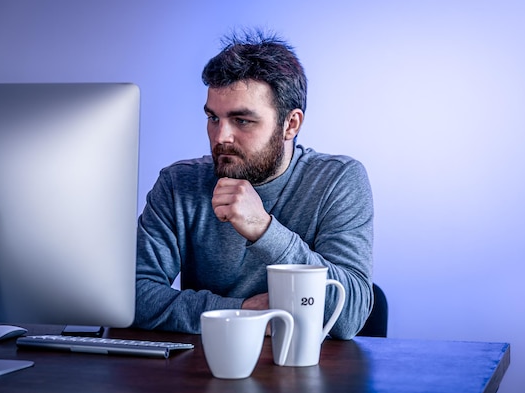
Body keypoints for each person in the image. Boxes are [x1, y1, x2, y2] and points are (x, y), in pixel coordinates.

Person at [133, 29, 374, 340]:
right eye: (213, 118)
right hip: (205, 368)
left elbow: (350, 315)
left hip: (304, 371)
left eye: (242, 121)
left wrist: (263, 228)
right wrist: (241, 312)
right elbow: (134, 296)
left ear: (291, 124)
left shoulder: (338, 180)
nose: (221, 137)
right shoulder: (179, 184)